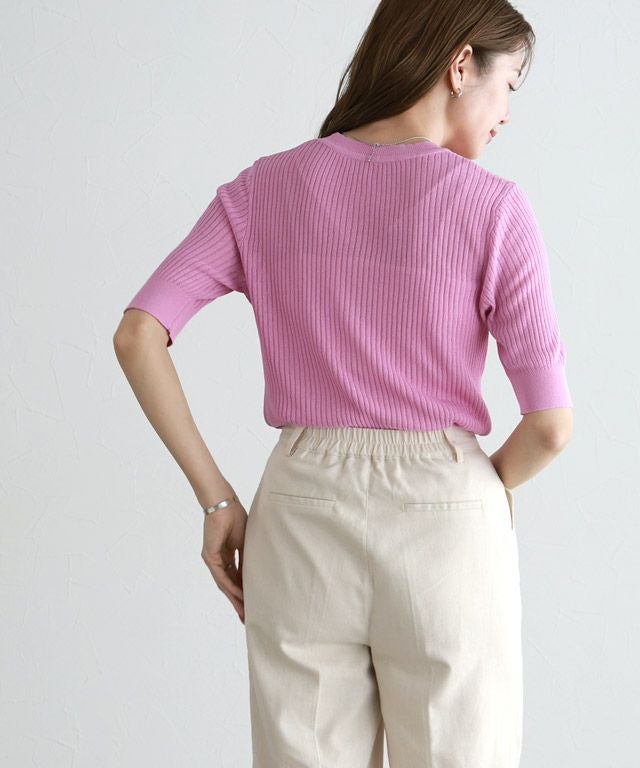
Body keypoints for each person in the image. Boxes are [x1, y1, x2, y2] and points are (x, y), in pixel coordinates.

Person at [113, 0, 573, 765]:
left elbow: (138, 335)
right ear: (461, 65)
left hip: (299, 509)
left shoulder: (264, 189)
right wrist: (475, 487)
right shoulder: (494, 208)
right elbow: (551, 427)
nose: (506, 114)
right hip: (446, 519)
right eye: (509, 85)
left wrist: (219, 501)